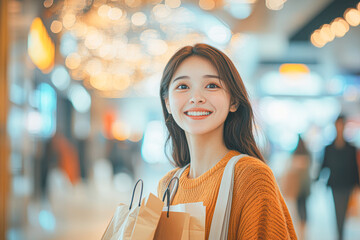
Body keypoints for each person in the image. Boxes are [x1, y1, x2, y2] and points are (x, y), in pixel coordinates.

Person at [157, 44, 297, 239]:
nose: (196, 98)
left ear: (233, 101)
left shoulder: (251, 177)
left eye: (212, 85)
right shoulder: (168, 186)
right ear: (167, 103)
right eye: (183, 86)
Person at [317, 115, 359, 240]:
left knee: (344, 212)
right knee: (337, 212)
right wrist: (316, 178)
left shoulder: (351, 148)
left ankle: (341, 234)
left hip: (348, 185)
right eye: (338, 124)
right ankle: (340, 235)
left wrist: (357, 185)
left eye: (342, 124)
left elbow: (354, 167)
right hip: (335, 184)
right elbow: (324, 165)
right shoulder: (329, 148)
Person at [282, 136, 311, 240]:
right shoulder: (308, 153)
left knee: (299, 207)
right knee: (304, 207)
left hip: (297, 186)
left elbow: (289, 166)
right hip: (305, 186)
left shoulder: (295, 153)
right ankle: (303, 227)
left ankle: (300, 226)